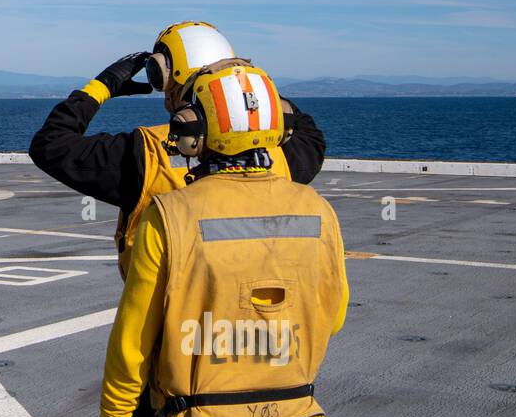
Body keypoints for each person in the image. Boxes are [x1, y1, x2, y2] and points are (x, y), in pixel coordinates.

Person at [90, 63, 348, 417]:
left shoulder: (169, 215)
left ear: (192, 131)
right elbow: (334, 316)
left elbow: (133, 345)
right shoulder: (318, 209)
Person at [29, 21, 326, 280]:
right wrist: (243, 85)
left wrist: (103, 85)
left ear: (164, 76)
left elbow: (50, 145)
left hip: (175, 334)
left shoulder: (146, 154)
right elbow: (310, 133)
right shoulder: (283, 154)